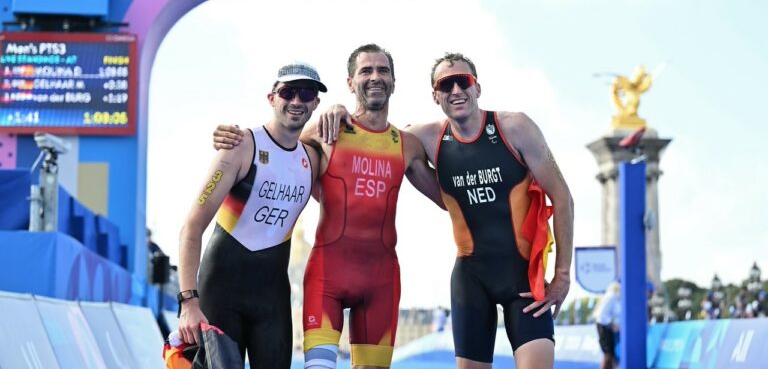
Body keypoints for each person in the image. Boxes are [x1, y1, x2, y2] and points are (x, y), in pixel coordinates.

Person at [314, 52, 574, 369]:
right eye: (445, 85)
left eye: (463, 82)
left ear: (477, 88)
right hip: (471, 278)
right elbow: (374, 134)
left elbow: (562, 198)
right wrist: (340, 111)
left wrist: (561, 277)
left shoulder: (515, 128)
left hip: (523, 278)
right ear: (435, 95)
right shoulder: (424, 138)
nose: (455, 91)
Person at [213, 44, 444, 369]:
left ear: (394, 81)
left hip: (381, 282)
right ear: (350, 83)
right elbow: (278, 142)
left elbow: (448, 200)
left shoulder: (408, 145)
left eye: (382, 71)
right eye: (366, 70)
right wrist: (234, 139)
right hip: (328, 276)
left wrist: (460, 151)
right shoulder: (326, 132)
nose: (375, 77)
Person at [177, 62, 326, 368]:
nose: (296, 101)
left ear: (316, 103)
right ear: (272, 98)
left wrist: (338, 110)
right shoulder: (241, 146)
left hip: (271, 298)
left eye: (306, 93)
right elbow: (191, 227)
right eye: (288, 92)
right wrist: (189, 302)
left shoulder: (313, 158)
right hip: (221, 290)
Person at [593, 282, 621, 369]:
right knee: (608, 355)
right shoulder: (611, 296)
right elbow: (601, 315)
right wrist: (612, 324)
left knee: (610, 355)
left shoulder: (614, 296)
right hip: (604, 328)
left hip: (607, 328)